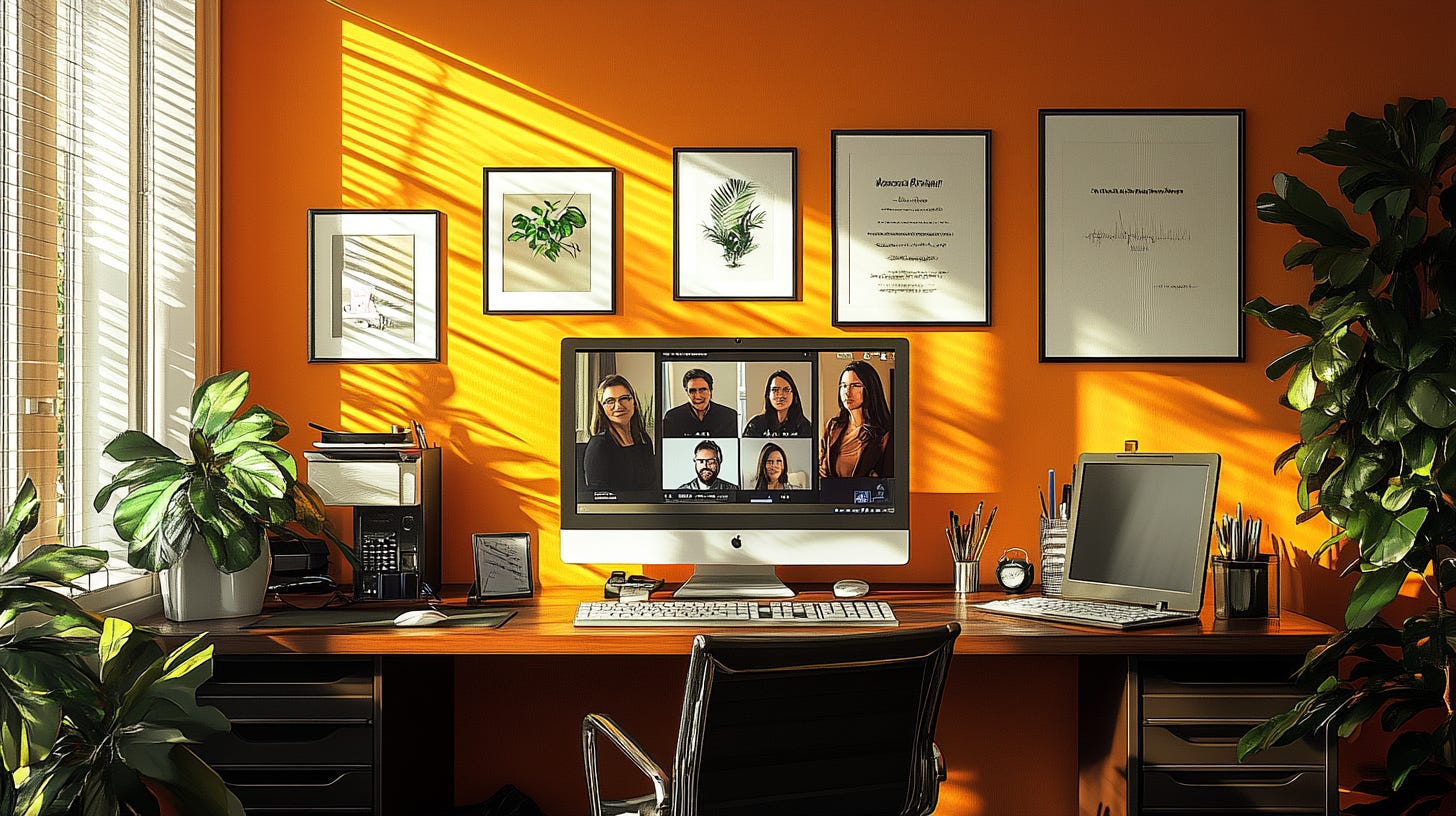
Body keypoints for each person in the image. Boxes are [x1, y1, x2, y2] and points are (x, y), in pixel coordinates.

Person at [819, 360, 892, 478]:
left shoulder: (884, 434)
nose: (847, 392)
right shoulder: (833, 426)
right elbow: (821, 463)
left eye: (855, 385)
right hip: (832, 495)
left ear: (870, 388)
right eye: (843, 386)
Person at [582, 374, 656, 489]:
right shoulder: (599, 445)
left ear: (634, 402)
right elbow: (598, 498)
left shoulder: (643, 439)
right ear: (602, 408)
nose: (618, 406)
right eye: (610, 401)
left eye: (624, 398)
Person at [660, 368, 738, 437]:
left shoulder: (729, 417)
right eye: (692, 391)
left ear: (710, 391)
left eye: (702, 390)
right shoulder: (673, 418)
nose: (697, 396)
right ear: (687, 392)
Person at [742, 370, 813, 438]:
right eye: (775, 390)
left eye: (786, 390)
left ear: (794, 395)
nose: (781, 395)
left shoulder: (804, 426)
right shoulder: (756, 425)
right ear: (768, 394)